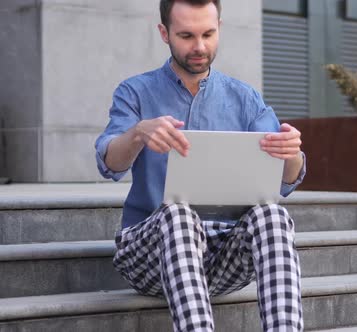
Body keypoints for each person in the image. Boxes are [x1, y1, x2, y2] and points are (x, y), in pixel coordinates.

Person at [94, 0, 306, 331]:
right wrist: (137, 133)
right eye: (186, 36)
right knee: (178, 213)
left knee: (273, 214)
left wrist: (291, 152)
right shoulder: (135, 91)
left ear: (220, 25)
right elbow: (109, 163)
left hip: (222, 259)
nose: (200, 47)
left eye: (208, 33)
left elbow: (285, 181)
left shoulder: (245, 98)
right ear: (164, 33)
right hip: (150, 254)